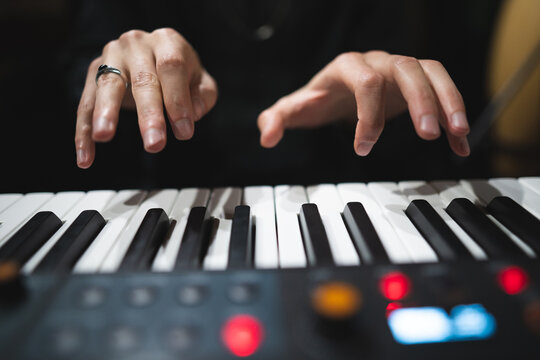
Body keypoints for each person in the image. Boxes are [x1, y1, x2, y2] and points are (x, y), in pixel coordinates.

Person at [69, 0, 482, 188]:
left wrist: (380, 108)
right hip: (174, 185)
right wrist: (116, 73)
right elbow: (80, 66)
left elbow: (408, 145)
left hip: (336, 185)